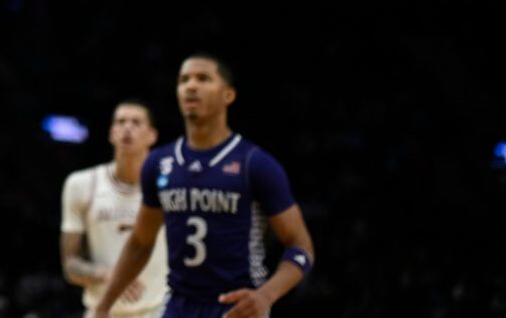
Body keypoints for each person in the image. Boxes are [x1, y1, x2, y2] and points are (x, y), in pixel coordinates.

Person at [92, 56, 318, 318]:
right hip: (179, 305)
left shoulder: (254, 164)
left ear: (228, 95)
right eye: (183, 80)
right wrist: (103, 306)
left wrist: (266, 295)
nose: (191, 86)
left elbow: (301, 248)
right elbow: (141, 243)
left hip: (238, 305)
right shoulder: (159, 162)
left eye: (203, 79)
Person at [60, 102, 167, 318]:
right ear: (111, 133)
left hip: (157, 311)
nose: (127, 128)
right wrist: (109, 275)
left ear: (152, 136)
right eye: (120, 122)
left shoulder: (169, 188)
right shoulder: (81, 184)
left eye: (136, 123)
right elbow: (70, 265)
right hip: (102, 312)